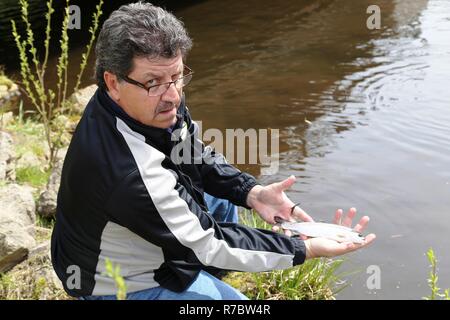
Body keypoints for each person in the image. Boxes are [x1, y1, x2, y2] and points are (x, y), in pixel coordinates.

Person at [50, 2, 375, 300]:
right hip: (114, 280)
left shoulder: (149, 103)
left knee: (218, 198)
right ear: (113, 82)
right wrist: (303, 248)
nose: (173, 96)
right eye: (154, 82)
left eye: (177, 76)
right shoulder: (129, 172)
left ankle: (204, 274)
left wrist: (252, 192)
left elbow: (192, 153)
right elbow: (209, 241)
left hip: (135, 230)